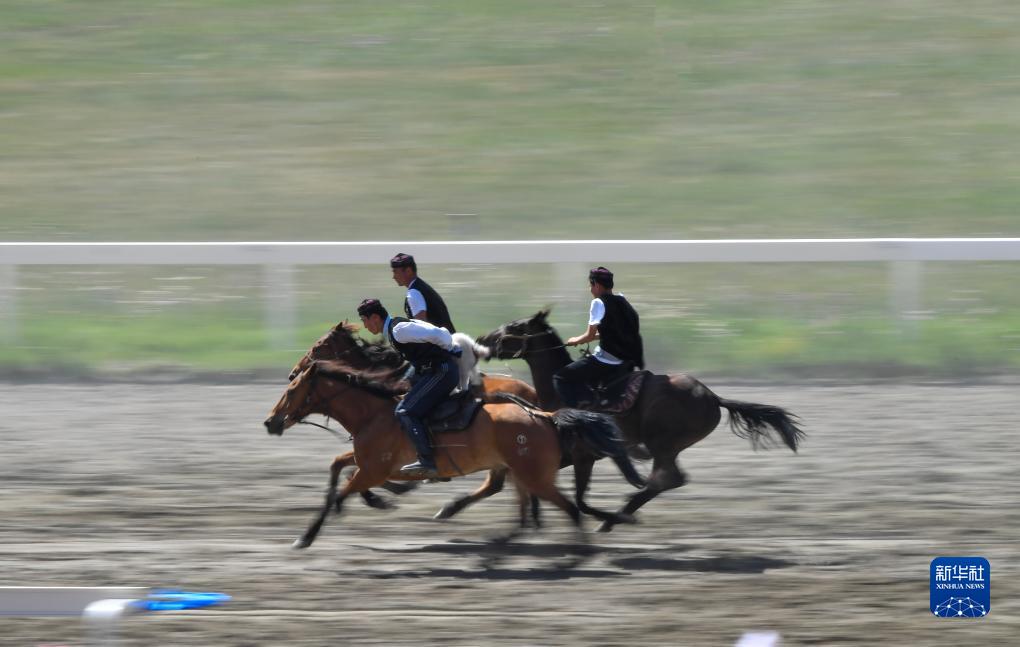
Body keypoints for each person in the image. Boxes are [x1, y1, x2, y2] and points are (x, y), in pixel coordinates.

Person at [357, 298, 461, 478]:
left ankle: (428, 461)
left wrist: (451, 347)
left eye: (364, 321)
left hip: (441, 372)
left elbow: (437, 333)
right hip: (432, 370)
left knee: (404, 411)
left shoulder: (398, 331)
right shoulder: (394, 330)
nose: (364, 326)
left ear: (374, 318)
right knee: (397, 392)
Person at [553, 266, 644, 408]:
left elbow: (589, 336)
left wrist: (575, 340)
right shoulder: (621, 299)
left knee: (560, 377)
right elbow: (615, 331)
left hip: (607, 360)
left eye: (590, 285)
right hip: (629, 358)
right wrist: (591, 338)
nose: (590, 290)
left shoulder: (598, 302)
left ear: (596, 285)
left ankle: (577, 415)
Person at [389, 252, 456, 333]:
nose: (393, 277)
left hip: (441, 344)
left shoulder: (414, 293)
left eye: (395, 272)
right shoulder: (421, 287)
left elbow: (421, 329)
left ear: (408, 271)